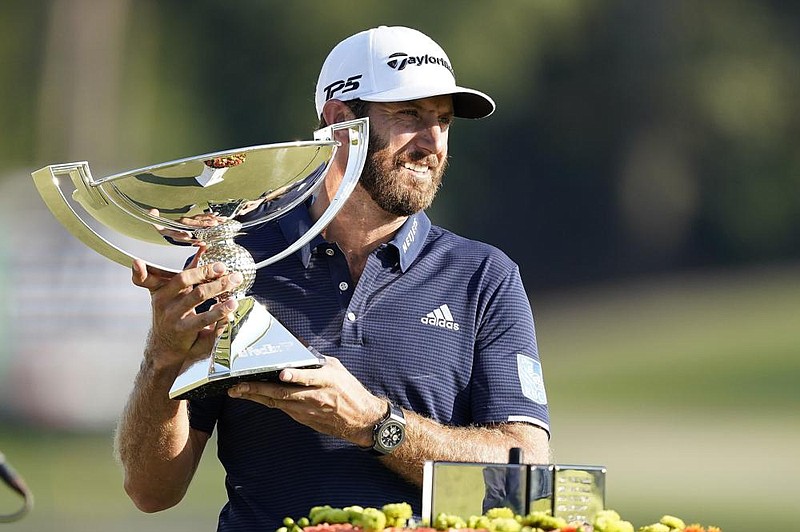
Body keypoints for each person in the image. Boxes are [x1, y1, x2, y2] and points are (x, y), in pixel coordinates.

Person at [114, 25, 551, 531]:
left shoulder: (484, 276)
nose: (432, 142)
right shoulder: (235, 262)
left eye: (444, 121)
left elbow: (524, 472)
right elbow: (150, 492)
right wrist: (162, 357)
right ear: (341, 122)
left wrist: (373, 423)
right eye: (408, 115)